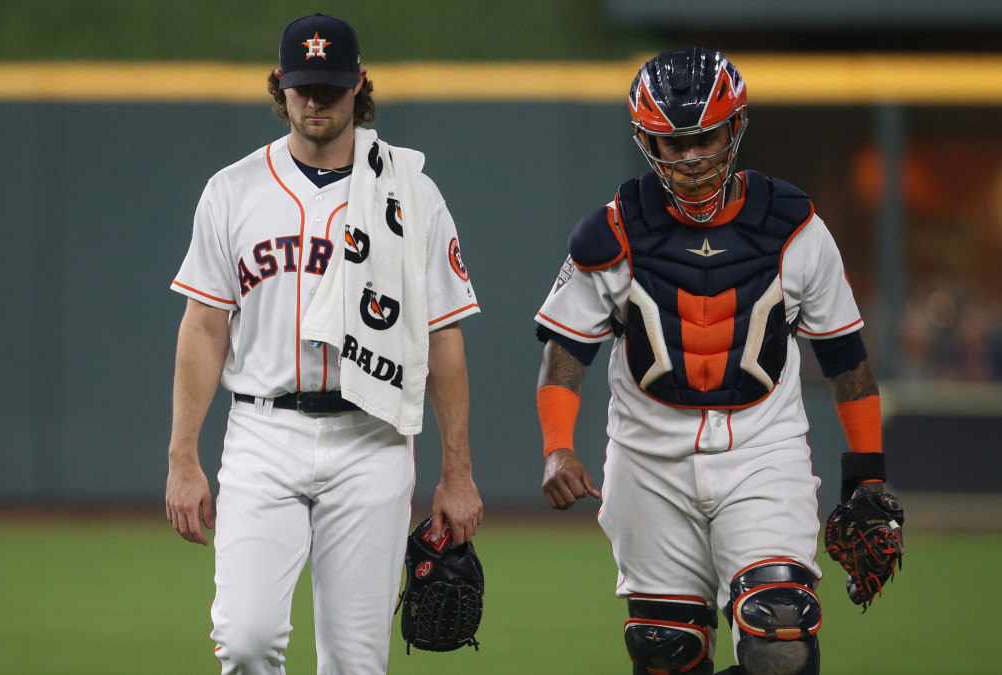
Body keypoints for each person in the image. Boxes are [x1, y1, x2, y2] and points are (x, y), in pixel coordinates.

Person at [533, 48, 900, 674]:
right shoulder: (612, 232)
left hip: (763, 451)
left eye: (705, 136)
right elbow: (567, 351)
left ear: (735, 128)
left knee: (780, 632)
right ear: (648, 143)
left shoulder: (795, 228)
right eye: (672, 144)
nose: (692, 157)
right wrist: (558, 447)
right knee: (665, 651)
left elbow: (846, 358)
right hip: (647, 461)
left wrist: (866, 476)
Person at [164, 13, 482, 675]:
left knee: (355, 664)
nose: (315, 100)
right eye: (303, 86)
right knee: (247, 641)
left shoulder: (411, 193)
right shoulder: (231, 191)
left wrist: (458, 471)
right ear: (279, 85)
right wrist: (182, 456)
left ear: (360, 84)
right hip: (261, 433)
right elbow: (203, 326)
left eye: (330, 88)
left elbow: (442, 336)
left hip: (372, 435)